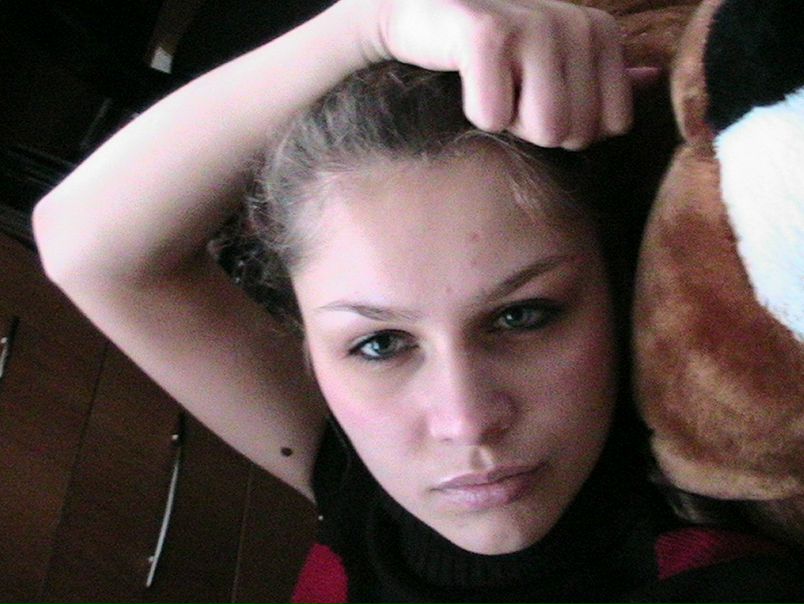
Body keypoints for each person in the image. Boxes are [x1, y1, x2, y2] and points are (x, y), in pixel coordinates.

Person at [32, 0, 802, 601]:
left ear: (614, 280)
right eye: (380, 345)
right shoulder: (357, 479)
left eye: (521, 316)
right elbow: (85, 248)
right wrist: (365, 23)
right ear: (310, 346)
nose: (465, 422)